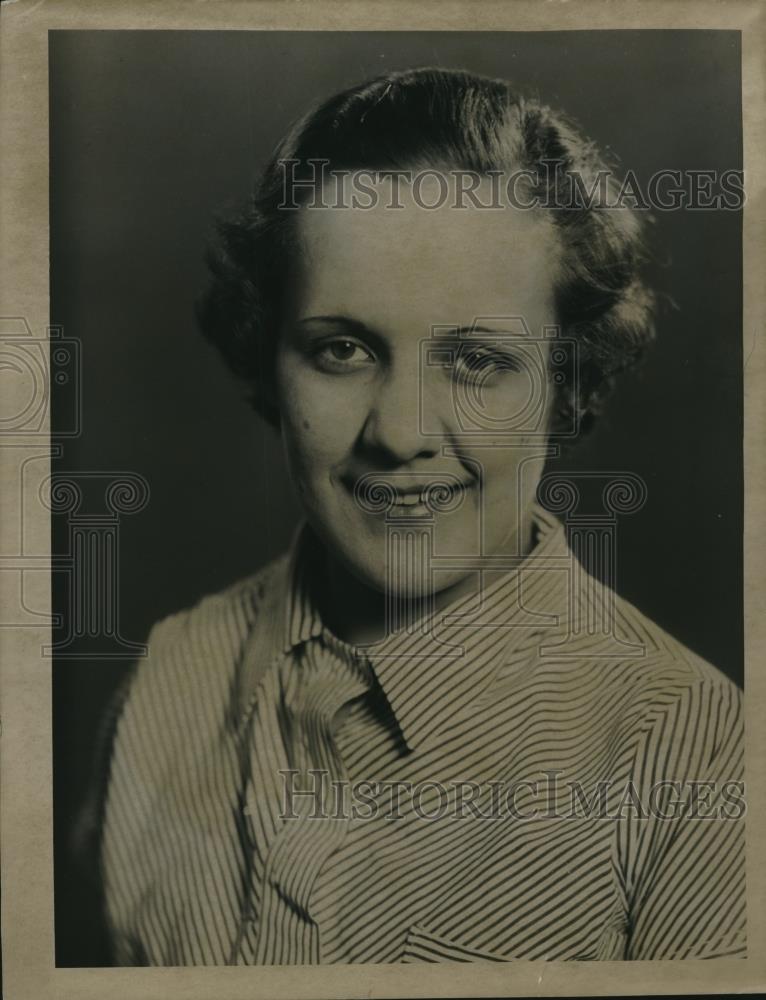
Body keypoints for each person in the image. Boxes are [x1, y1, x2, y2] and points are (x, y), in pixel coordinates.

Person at [94, 67, 745, 964]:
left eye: (477, 361)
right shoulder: (164, 680)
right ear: (269, 360)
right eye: (343, 348)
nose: (400, 433)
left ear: (568, 384)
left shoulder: (698, 760)